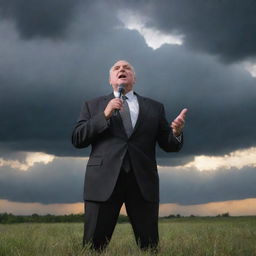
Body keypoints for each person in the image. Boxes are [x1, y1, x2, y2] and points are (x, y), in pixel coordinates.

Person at [72, 60, 187, 252]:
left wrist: (176, 133)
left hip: (142, 182)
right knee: (93, 247)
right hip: (102, 183)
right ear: (110, 80)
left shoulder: (155, 107)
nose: (122, 69)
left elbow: (168, 145)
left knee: (149, 246)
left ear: (134, 78)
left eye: (127, 68)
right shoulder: (93, 105)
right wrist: (105, 115)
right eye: (116, 68)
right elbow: (77, 139)